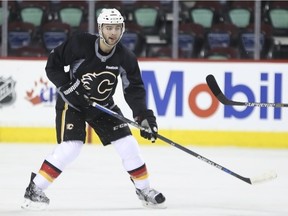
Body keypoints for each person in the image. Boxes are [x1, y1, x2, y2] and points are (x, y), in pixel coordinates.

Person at [21, 8, 166, 210]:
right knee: (72, 147)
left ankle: (144, 189)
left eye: (117, 28)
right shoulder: (80, 44)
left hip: (103, 106)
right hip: (72, 103)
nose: (112, 32)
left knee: (128, 145)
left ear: (122, 29)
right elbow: (52, 66)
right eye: (108, 27)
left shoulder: (126, 57)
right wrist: (70, 87)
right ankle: (35, 189)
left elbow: (134, 90)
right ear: (100, 28)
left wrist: (143, 117)